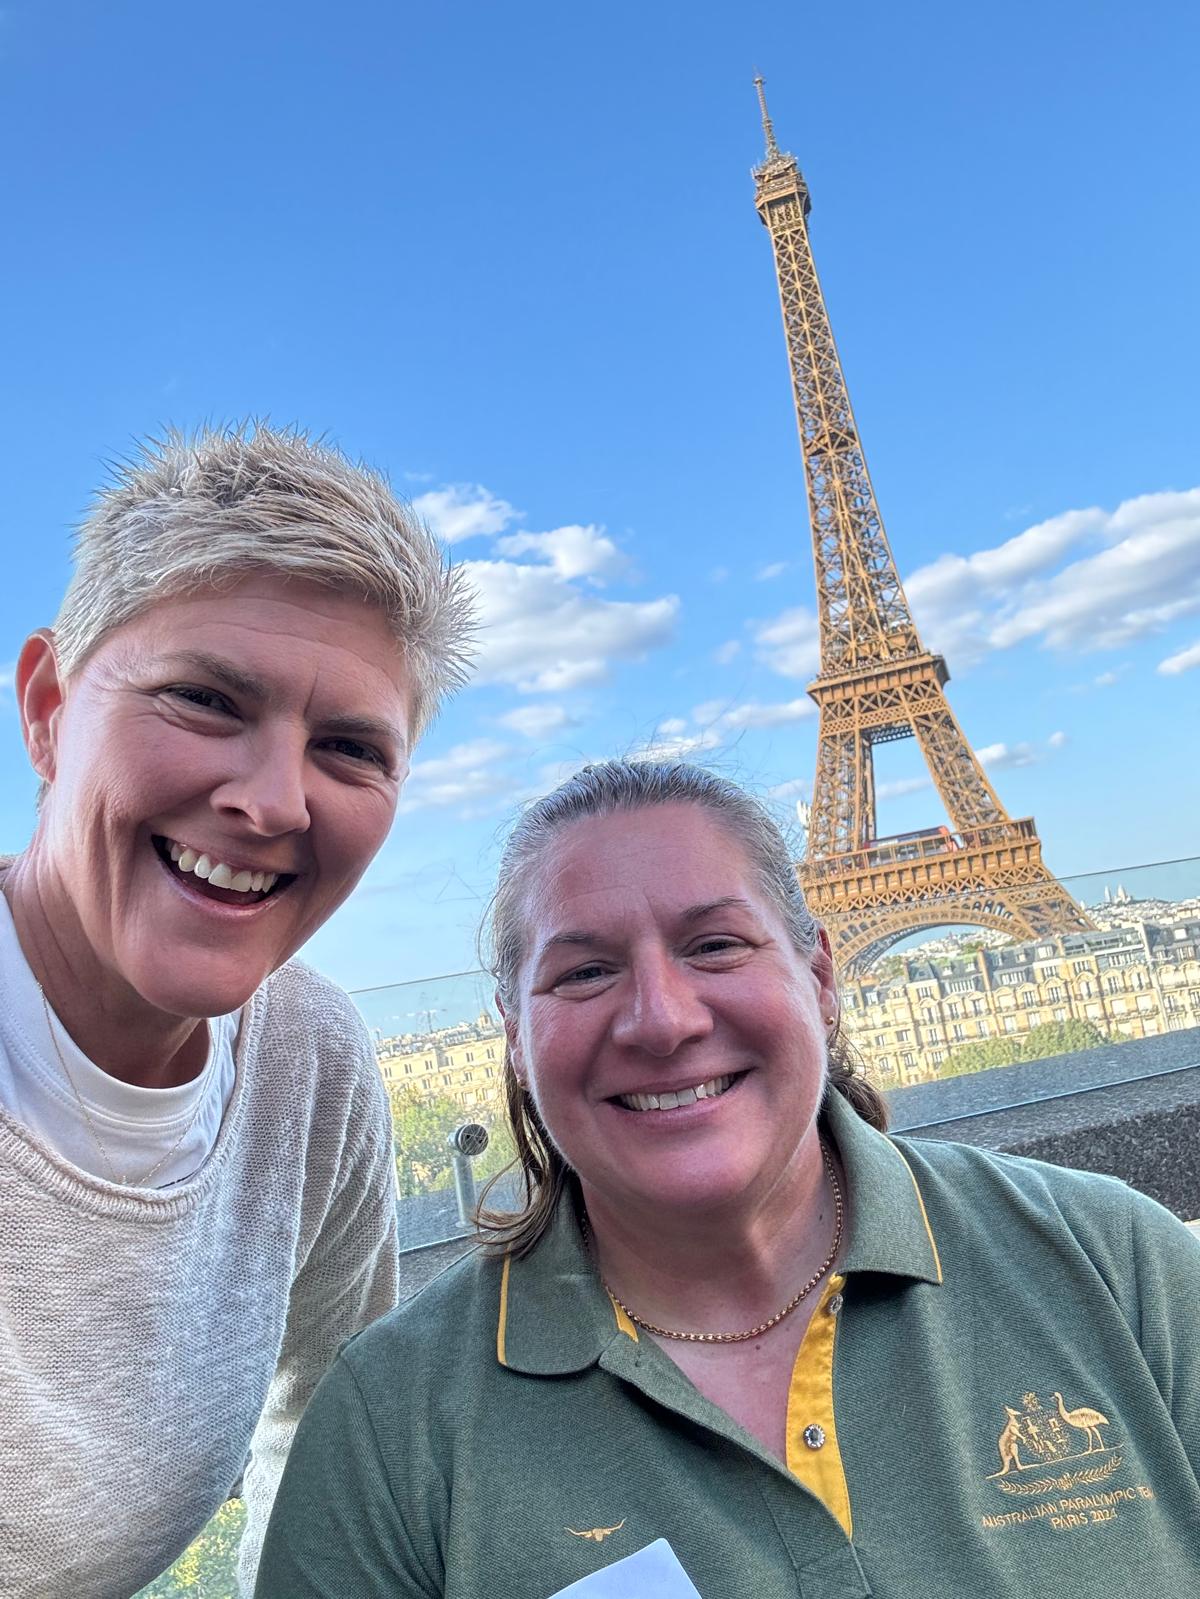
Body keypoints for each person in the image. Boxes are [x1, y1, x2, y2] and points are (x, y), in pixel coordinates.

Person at [256, 760, 1200, 1599]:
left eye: (715, 946)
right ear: (514, 1035)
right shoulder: (388, 1429)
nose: (661, 1020)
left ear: (821, 975)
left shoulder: (1120, 1263)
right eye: (584, 972)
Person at [0, 425, 473, 1599]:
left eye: (351, 749)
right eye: (206, 699)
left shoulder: (308, 1062)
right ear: (49, 709)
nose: (270, 802)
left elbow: (324, 1441)